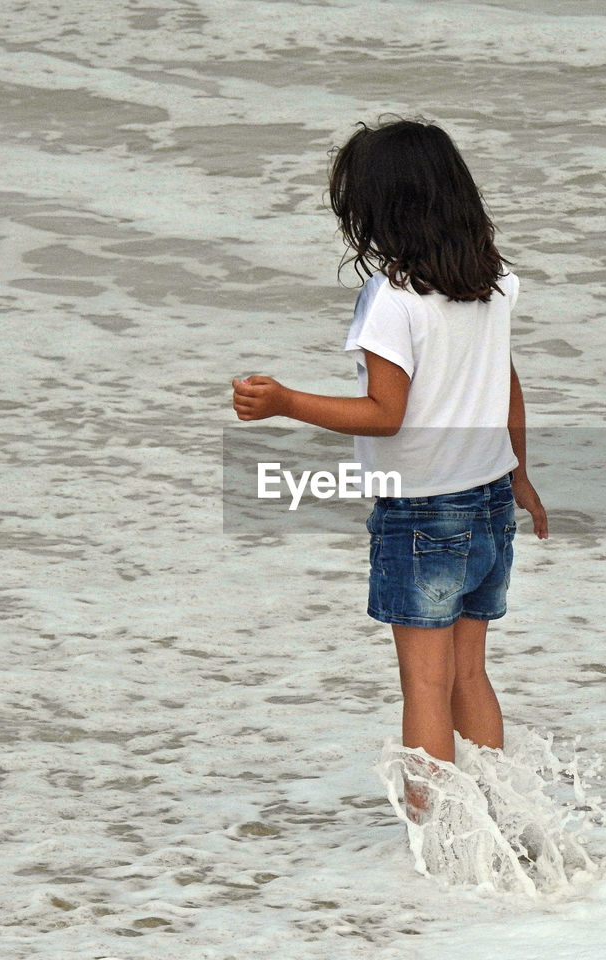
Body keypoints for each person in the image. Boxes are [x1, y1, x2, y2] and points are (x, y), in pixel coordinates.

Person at [232, 118, 547, 810]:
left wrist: (285, 401)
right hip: (490, 502)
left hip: (424, 513)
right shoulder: (491, 283)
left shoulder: (392, 297)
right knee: (470, 676)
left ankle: (438, 837)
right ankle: (499, 814)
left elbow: (385, 413)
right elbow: (507, 384)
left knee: (426, 686)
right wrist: (520, 475)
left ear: (378, 210)